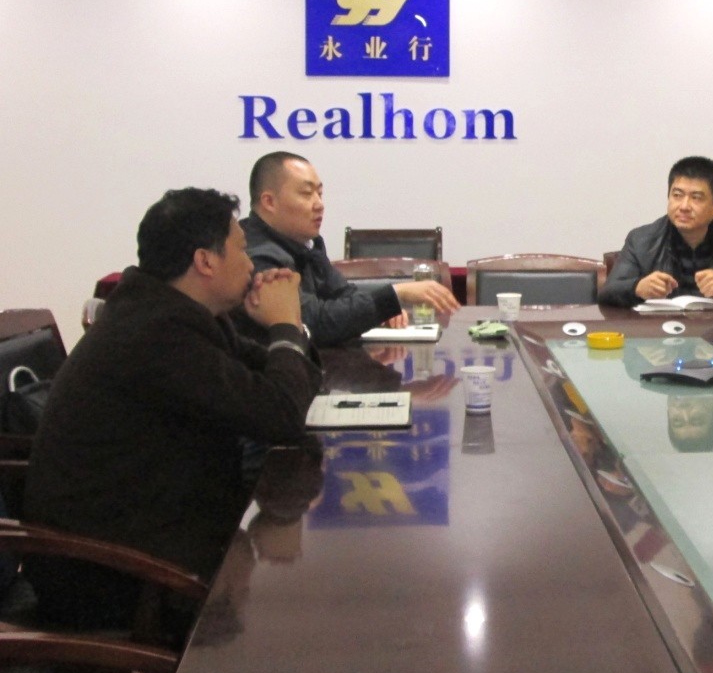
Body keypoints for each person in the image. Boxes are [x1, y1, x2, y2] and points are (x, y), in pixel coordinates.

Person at [24, 188, 322, 635]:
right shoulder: (155, 334)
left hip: (155, 536)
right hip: (116, 579)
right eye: (241, 250)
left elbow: (291, 390)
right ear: (205, 261)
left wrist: (288, 330)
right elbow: (280, 415)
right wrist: (284, 325)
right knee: (298, 610)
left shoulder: (176, 314)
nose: (251, 265)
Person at [240, 151, 459, 346]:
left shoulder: (306, 244)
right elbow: (314, 322)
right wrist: (396, 294)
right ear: (269, 202)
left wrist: (379, 310)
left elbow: (342, 293)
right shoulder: (258, 256)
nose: (319, 204)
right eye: (306, 194)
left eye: (320, 194)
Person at [598, 156, 713, 307]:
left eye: (696, 198)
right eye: (677, 195)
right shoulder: (641, 240)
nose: (684, 206)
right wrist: (637, 288)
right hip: (662, 332)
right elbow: (608, 292)